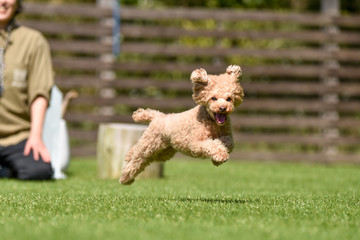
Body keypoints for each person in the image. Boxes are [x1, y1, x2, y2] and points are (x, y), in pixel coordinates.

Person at [0, 0, 54, 180]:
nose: (3, 2)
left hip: (18, 137)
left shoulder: (33, 41)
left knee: (37, 171)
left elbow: (39, 93)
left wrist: (36, 136)